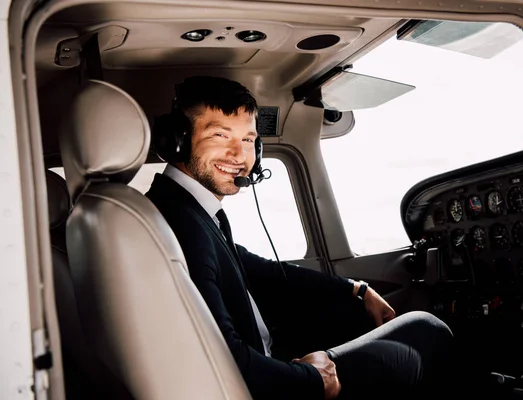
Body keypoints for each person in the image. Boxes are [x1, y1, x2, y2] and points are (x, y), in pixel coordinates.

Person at [145, 76, 454, 400]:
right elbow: (224, 358)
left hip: (268, 357)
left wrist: (355, 289)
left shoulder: (188, 209)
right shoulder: (183, 223)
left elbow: (260, 271)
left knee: (356, 312)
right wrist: (311, 378)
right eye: (220, 135)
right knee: (426, 329)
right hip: (263, 383)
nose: (239, 155)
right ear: (178, 140)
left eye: (249, 140)